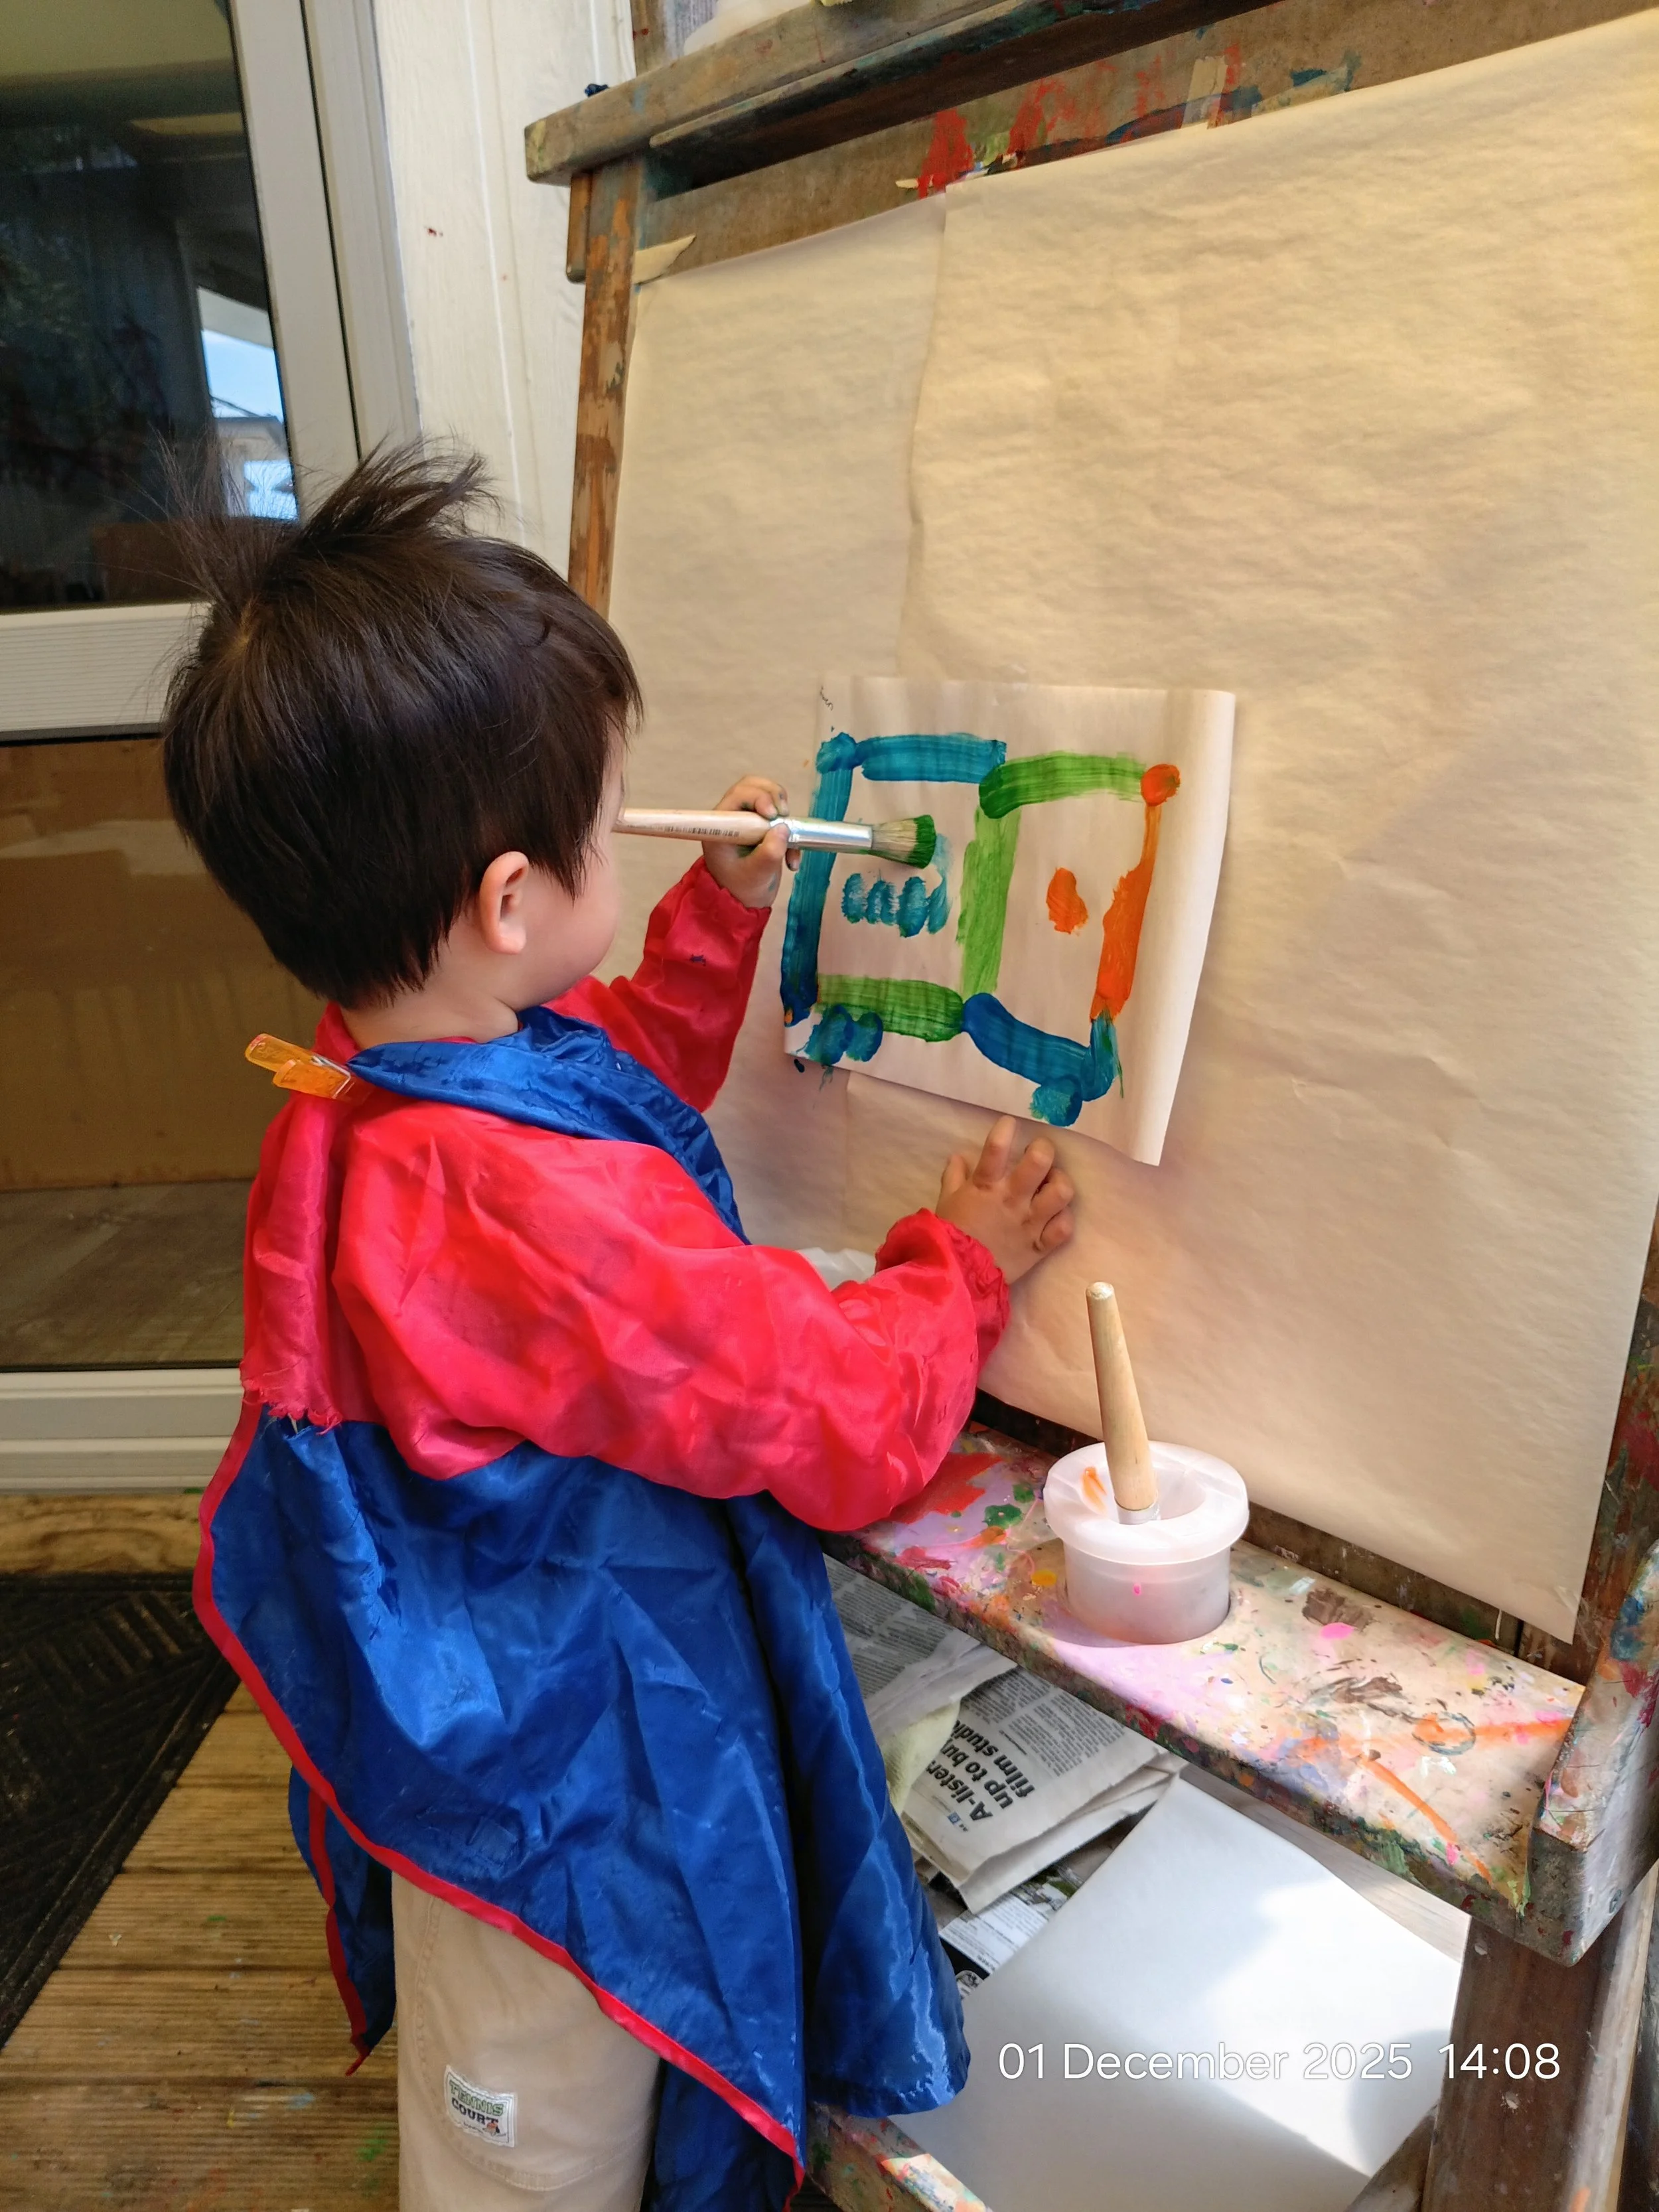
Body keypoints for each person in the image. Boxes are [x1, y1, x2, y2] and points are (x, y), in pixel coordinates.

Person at [163, 449, 1074, 2212]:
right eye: (611, 822)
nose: (632, 831)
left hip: (466, 1700)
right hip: (551, 1789)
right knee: (532, 2137)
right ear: (513, 902)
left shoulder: (373, 1069)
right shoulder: (518, 1208)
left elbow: (594, 1087)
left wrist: (715, 916)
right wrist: (958, 1262)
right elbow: (832, 1412)